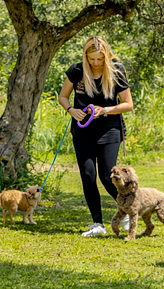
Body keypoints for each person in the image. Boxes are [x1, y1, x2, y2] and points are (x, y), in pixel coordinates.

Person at [58, 36, 134, 237]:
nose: (97, 63)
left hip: (110, 129)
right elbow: (63, 96)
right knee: (88, 175)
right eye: (92, 59)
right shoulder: (76, 71)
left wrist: (106, 110)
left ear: (106, 55)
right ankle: (97, 224)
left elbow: (128, 104)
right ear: (86, 56)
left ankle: (128, 210)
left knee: (107, 175)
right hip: (83, 130)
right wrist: (71, 110)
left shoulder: (116, 71)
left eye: (100, 59)